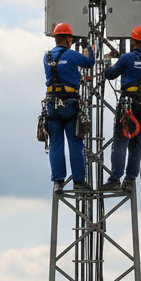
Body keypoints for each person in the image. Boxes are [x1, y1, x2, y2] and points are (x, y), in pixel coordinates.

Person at [102, 26, 141, 190]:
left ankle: (115, 178)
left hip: (129, 104)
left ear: (133, 40)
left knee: (121, 139)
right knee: (136, 142)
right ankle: (130, 180)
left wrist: (107, 61)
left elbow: (110, 74)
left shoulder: (127, 58)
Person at [44, 23, 94, 192]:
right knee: (75, 143)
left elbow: (59, 74)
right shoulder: (72, 55)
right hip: (70, 104)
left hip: (52, 104)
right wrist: (89, 47)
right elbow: (89, 63)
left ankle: (58, 181)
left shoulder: (48, 56)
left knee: (56, 143)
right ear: (68, 38)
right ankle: (78, 182)